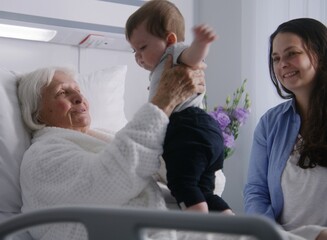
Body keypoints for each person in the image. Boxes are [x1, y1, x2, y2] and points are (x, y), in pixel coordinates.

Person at [16, 55, 207, 239]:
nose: (78, 98)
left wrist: (182, 114)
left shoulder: (105, 138)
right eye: (62, 92)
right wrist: (164, 100)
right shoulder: (41, 156)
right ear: (37, 114)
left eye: (78, 91)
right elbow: (109, 180)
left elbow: (196, 179)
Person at [125, 0, 233, 215]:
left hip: (187, 128)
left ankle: (196, 224)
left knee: (181, 183)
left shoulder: (174, 52)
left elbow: (192, 56)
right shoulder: (161, 69)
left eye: (143, 47)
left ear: (170, 39)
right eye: (134, 51)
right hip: (206, 130)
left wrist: (201, 43)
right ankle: (229, 220)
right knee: (205, 191)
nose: (138, 56)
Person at [243, 18, 327, 240]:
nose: (282, 64)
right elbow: (256, 191)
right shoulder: (270, 123)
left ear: (320, 53)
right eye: (276, 58)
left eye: (292, 53)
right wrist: (270, 234)